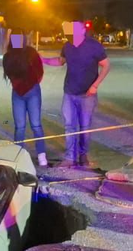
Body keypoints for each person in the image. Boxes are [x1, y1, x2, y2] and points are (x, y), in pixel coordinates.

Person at [42, 21, 110, 169]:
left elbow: (106, 65)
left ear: (82, 30)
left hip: (87, 94)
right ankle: (69, 158)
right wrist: (43, 60)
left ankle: (83, 155)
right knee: (69, 126)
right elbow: (60, 62)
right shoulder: (68, 46)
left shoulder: (94, 46)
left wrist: (95, 85)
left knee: (85, 127)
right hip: (69, 93)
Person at [3, 34, 48, 167]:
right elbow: (9, 73)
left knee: (35, 124)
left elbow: (39, 71)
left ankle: (41, 155)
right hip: (17, 93)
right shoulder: (9, 56)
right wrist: (19, 85)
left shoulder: (30, 52)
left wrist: (32, 84)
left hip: (32, 91)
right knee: (20, 127)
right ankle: (18, 155)